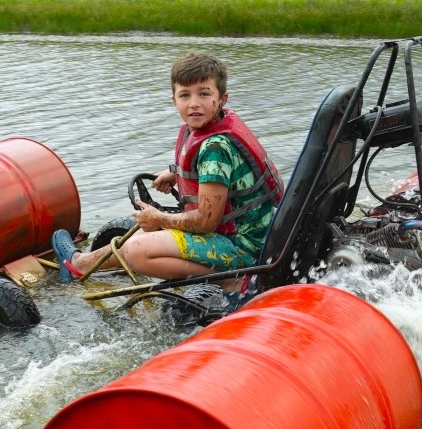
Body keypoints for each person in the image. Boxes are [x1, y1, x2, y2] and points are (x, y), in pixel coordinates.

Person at [51, 52, 282, 284]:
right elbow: (216, 174)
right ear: (174, 100)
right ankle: (81, 264)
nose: (194, 103)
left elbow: (206, 222)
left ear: (222, 99)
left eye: (204, 94)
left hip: (243, 249)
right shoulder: (209, 131)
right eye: (185, 95)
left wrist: (160, 218)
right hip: (240, 238)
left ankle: (231, 282)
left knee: (137, 250)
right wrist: (174, 173)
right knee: (144, 232)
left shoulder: (215, 148)